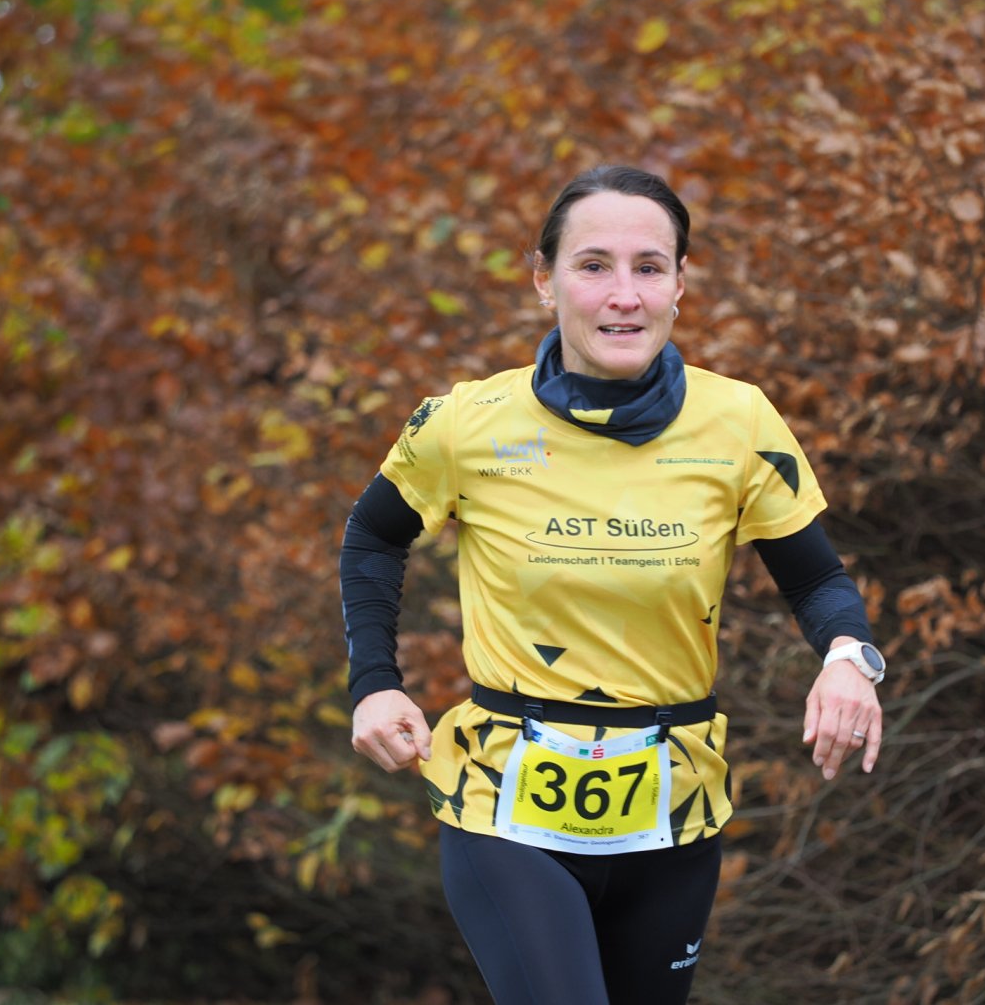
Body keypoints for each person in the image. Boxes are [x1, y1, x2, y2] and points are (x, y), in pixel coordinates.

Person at [340, 164, 885, 1005]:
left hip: (672, 809)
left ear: (679, 285)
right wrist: (375, 684)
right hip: (505, 806)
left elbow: (816, 579)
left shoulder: (739, 423)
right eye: (593, 266)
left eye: (648, 267)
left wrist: (849, 659)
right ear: (544, 279)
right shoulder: (464, 424)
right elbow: (374, 537)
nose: (623, 295)